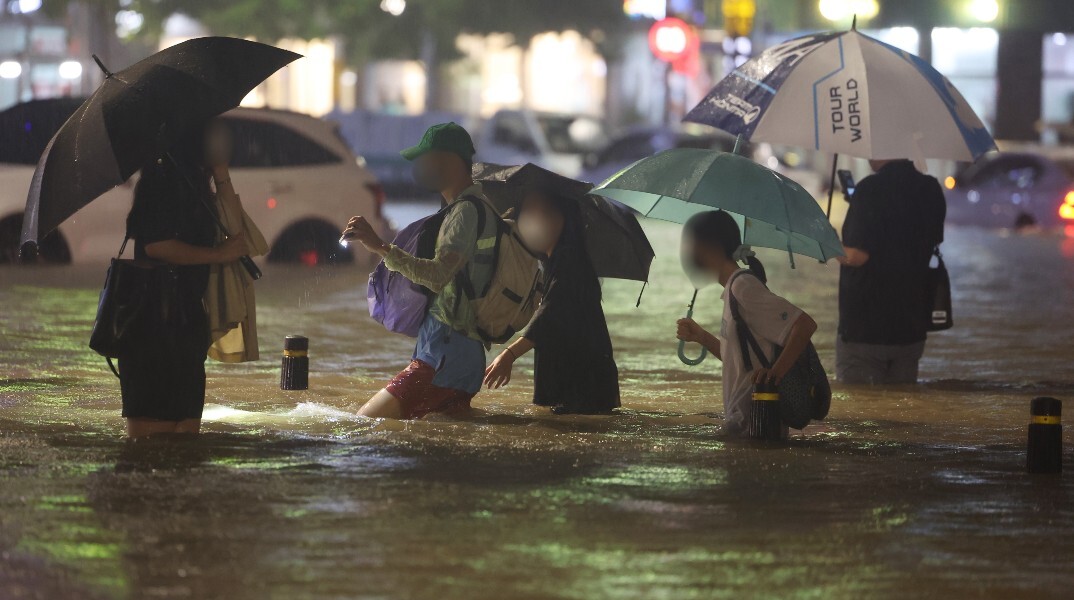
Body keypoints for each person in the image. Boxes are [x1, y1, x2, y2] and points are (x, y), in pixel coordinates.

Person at [343, 123, 496, 419]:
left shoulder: (464, 213)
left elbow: (439, 275)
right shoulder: (475, 208)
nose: (420, 167)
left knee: (364, 423)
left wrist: (379, 246)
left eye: (426, 159)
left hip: (443, 357)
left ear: (449, 162)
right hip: (459, 354)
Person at [120, 120, 252, 438]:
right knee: (150, 442)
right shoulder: (161, 181)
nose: (224, 140)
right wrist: (218, 255)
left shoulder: (197, 184)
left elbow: (241, 238)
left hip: (187, 325)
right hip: (151, 327)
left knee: (185, 438)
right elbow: (157, 245)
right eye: (214, 134)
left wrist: (221, 174)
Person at [674, 211, 818, 435]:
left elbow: (805, 325)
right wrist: (701, 337)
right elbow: (739, 359)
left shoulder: (744, 287)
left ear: (711, 247)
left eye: (693, 245)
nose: (689, 254)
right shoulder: (732, 290)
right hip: (743, 425)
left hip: (759, 425)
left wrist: (775, 375)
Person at [482, 187, 620, 415]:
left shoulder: (569, 261)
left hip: (582, 383)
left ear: (564, 219)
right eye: (529, 212)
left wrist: (509, 355)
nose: (536, 221)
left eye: (545, 212)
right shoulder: (555, 261)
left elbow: (549, 316)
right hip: (579, 380)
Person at [836, 159, 946, 385]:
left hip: (866, 327)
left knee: (862, 412)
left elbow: (856, 256)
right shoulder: (931, 188)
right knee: (902, 411)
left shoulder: (868, 190)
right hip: (912, 325)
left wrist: (826, 243)